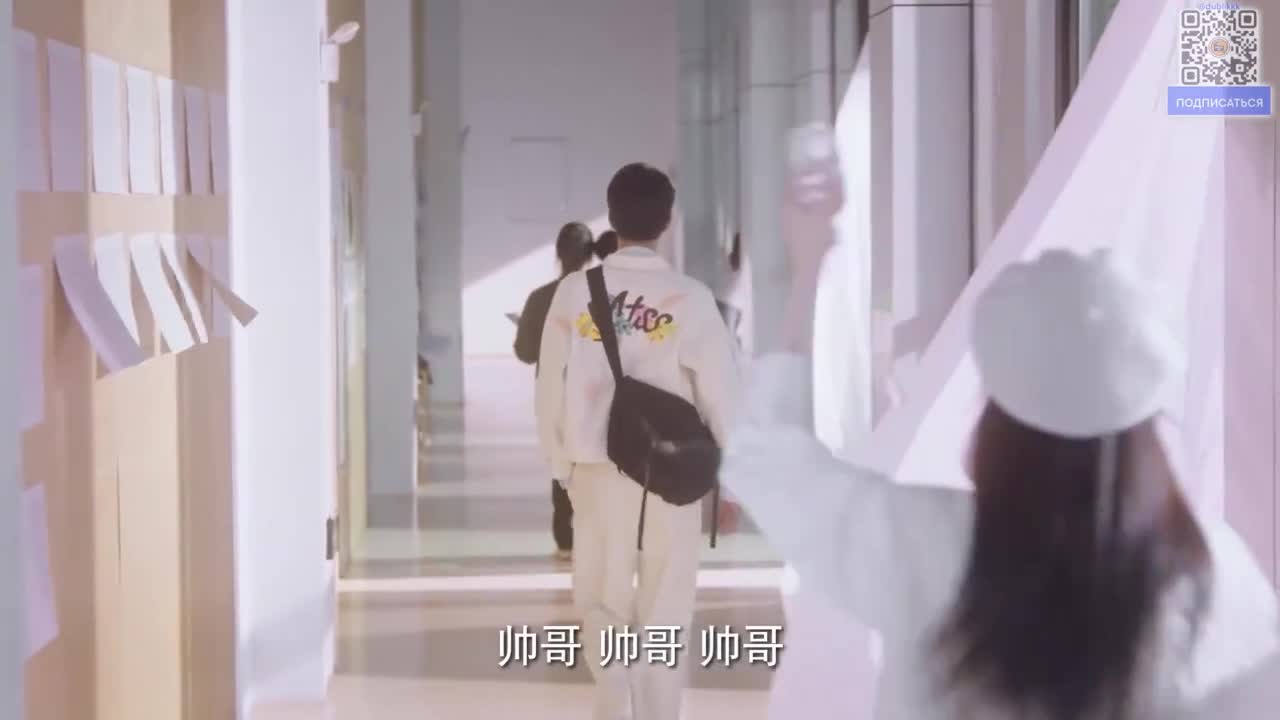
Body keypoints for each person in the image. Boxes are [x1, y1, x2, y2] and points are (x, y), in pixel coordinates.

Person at [721, 162, 1279, 718]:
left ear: (996, 419)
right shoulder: (1215, 581)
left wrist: (808, 266)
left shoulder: (927, 544)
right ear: (1148, 426)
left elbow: (762, 457)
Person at [535, 163, 739, 720]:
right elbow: (721, 392)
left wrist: (561, 464)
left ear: (611, 214)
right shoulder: (690, 297)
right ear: (666, 220)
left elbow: (549, 382)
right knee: (667, 604)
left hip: (596, 469)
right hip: (672, 473)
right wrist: (730, 481)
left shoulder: (574, 293)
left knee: (601, 598)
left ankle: (613, 702)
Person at [515, 221, 613, 560]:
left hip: (554, 394)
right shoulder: (605, 296)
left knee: (562, 464)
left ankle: (565, 538)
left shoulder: (540, 298)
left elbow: (525, 352)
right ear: (590, 256)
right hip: (596, 393)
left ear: (557, 254)